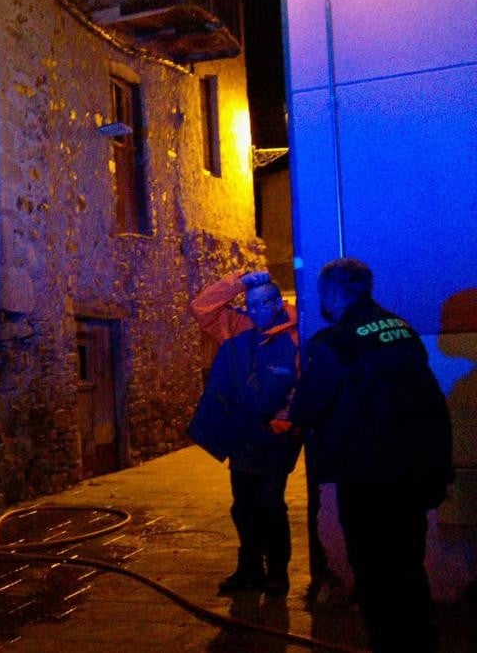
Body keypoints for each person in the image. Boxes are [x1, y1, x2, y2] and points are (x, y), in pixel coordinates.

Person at [289, 258, 453, 652]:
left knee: (376, 571)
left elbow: (307, 408)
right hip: (416, 471)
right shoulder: (402, 329)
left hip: (368, 477)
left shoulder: (335, 342)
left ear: (330, 292)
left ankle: (391, 642)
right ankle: (419, 640)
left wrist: (294, 407)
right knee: (408, 563)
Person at [187, 270, 303, 596]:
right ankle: (249, 569)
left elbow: (304, 384)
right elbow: (202, 308)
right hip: (241, 437)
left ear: (278, 302)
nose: (255, 311)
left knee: (270, 504)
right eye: (250, 305)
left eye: (263, 304)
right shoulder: (238, 328)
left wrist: (288, 419)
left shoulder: (298, 335)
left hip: (275, 440)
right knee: (243, 506)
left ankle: (277, 573)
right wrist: (238, 283)